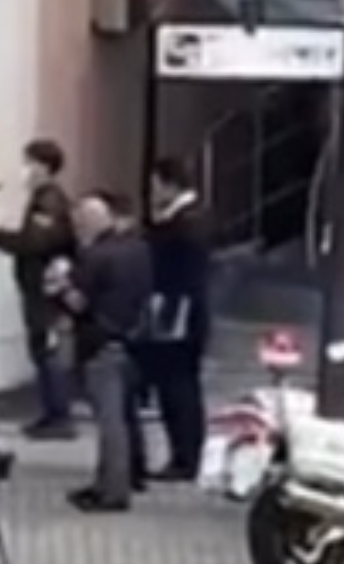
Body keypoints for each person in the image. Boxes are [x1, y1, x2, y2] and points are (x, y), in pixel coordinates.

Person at [55, 190, 153, 512]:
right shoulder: (138, 250)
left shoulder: (95, 257)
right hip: (134, 341)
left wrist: (60, 287)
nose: (77, 228)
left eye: (80, 222)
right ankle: (131, 474)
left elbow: (78, 302)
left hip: (100, 341)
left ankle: (112, 491)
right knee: (126, 415)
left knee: (110, 422)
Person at [0, 138, 78, 440]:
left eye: (30, 163)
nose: (25, 170)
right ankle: (52, 411)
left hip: (45, 289)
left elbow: (35, 242)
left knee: (47, 349)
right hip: (37, 286)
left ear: (44, 167)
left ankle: (59, 414)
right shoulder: (42, 198)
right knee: (40, 349)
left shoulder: (48, 201)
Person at [138, 157, 211, 482]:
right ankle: (183, 454)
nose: (152, 194)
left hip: (179, 313)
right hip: (179, 311)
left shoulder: (186, 223)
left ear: (170, 185)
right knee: (176, 385)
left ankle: (185, 457)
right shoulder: (186, 220)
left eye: (155, 186)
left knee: (178, 387)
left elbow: (177, 268)